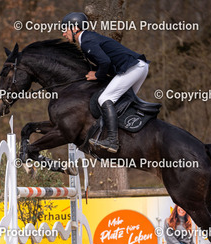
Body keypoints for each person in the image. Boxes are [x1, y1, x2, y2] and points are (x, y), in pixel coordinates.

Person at [61, 12, 149, 153]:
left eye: (65, 29)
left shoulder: (86, 41)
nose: (64, 34)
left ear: (75, 28)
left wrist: (97, 75)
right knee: (122, 102)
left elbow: (105, 62)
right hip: (140, 67)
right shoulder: (89, 38)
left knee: (104, 98)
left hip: (133, 68)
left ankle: (112, 141)